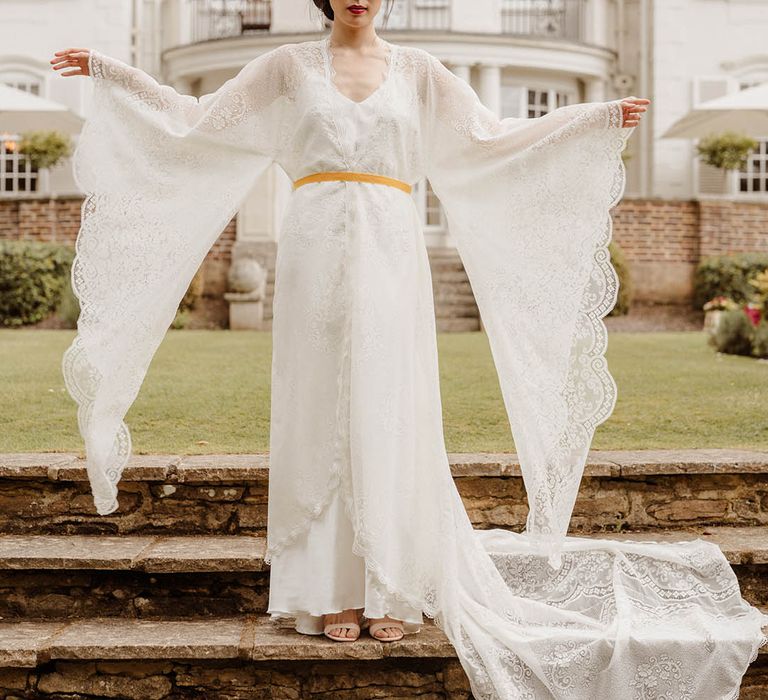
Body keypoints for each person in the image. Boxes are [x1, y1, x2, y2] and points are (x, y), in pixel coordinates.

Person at [51, 0, 768, 696]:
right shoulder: (286, 66)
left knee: (389, 404)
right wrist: (116, 74)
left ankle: (391, 585)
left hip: (393, 249)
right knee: (320, 404)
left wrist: (590, 118)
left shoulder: (420, 69)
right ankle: (329, 589)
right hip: (314, 248)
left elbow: (493, 137)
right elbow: (197, 120)